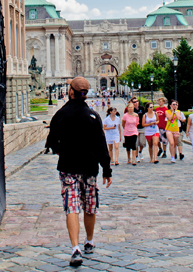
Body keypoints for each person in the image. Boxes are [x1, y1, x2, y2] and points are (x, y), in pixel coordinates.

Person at [45, 77, 113, 267]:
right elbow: (101, 145)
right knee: (90, 206)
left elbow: (51, 141)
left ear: (71, 92)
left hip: (68, 167)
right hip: (90, 168)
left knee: (72, 207)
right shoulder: (93, 116)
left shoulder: (61, 114)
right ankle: (89, 241)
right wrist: (107, 169)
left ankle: (75, 247)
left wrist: (60, 149)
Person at [121, 101, 139, 165]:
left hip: (134, 131)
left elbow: (137, 123)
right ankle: (129, 158)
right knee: (128, 145)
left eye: (132, 107)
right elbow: (123, 124)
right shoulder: (125, 116)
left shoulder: (136, 115)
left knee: (134, 145)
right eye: (129, 107)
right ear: (127, 108)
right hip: (127, 132)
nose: (130, 109)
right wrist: (126, 129)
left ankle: (134, 159)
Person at [132, 97, 147, 162]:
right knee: (136, 143)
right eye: (134, 102)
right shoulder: (131, 109)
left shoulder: (141, 108)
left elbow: (145, 116)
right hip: (135, 128)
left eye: (137, 101)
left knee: (142, 142)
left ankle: (140, 151)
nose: (136, 103)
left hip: (142, 127)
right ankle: (136, 156)